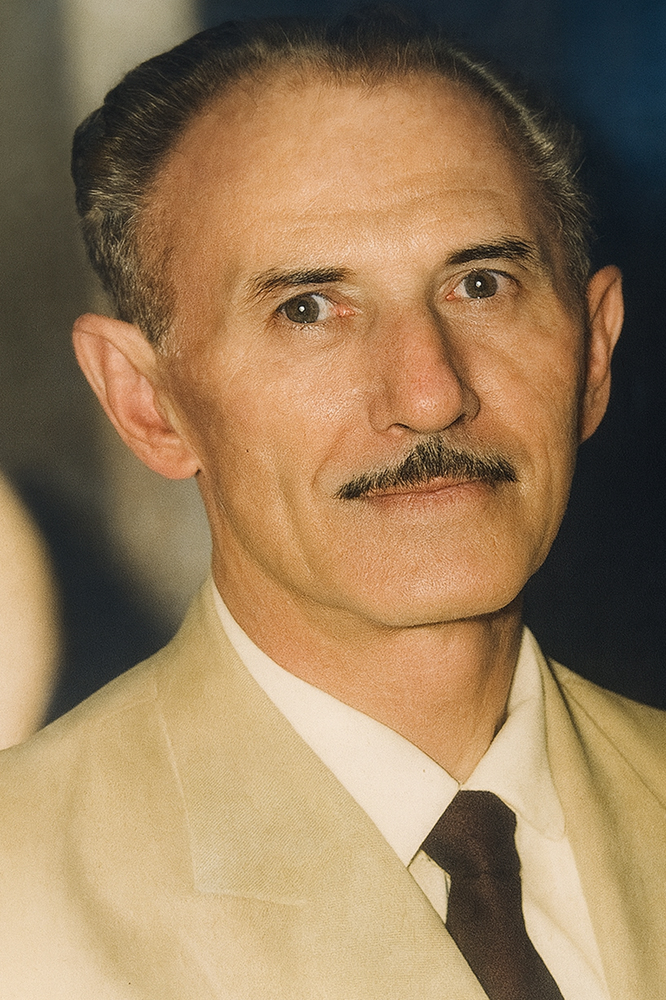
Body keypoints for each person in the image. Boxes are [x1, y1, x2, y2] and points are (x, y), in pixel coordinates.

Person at [0, 7, 663, 998]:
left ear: (595, 351)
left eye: (481, 284)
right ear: (147, 403)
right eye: (307, 309)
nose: (430, 393)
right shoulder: (21, 899)